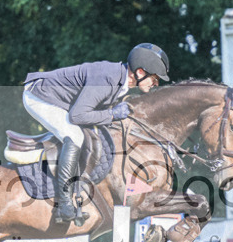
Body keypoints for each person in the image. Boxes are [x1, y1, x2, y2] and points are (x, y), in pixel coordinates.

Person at [22, 43, 170, 222]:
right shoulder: (107, 79)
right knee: (75, 136)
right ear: (139, 72)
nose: (156, 83)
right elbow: (78, 116)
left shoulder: (119, 81)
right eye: (154, 78)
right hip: (39, 96)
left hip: (60, 99)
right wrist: (112, 114)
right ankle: (64, 204)